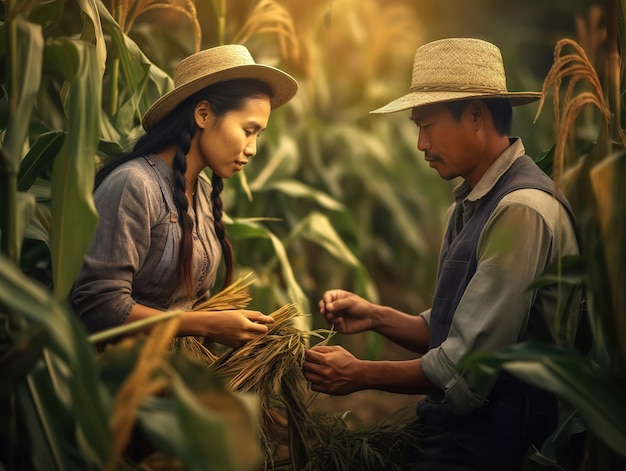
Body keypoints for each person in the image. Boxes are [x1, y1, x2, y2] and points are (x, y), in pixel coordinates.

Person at [302, 38, 581, 470]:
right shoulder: (469, 203)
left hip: (502, 442)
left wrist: (360, 374)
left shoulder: (520, 211)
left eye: (427, 125)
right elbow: (451, 328)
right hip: (467, 431)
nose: (420, 143)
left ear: (475, 116)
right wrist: (375, 316)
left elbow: (466, 364)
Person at [72, 44, 298, 349]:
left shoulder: (203, 192)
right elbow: (100, 305)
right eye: (248, 130)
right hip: (116, 380)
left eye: (258, 135)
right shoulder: (134, 185)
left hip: (172, 380)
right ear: (203, 114)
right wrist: (206, 323)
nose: (253, 148)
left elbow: (191, 301)